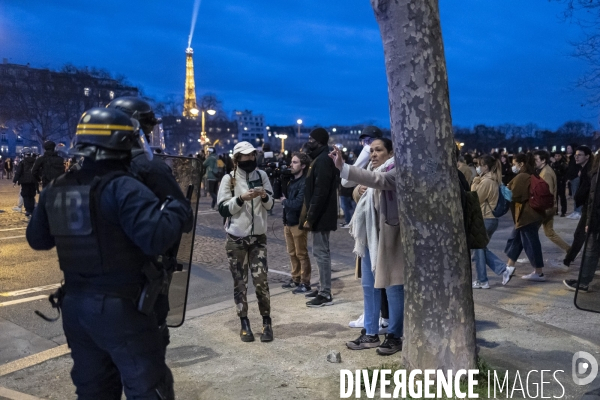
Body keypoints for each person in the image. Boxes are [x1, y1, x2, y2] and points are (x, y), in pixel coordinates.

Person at [26, 107, 191, 399]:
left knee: (94, 390)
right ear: (122, 144)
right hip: (122, 308)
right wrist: (176, 207)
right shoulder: (124, 187)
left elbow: (37, 239)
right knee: (148, 388)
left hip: (75, 306)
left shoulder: (56, 188)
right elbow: (155, 239)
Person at [107, 96, 193, 354]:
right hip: (140, 274)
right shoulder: (149, 167)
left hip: (93, 283)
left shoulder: (84, 168)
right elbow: (184, 221)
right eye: (146, 129)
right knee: (148, 366)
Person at [330, 139, 405, 355]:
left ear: (390, 152)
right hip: (369, 238)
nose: (373, 154)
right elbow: (357, 193)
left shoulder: (394, 169)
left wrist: (344, 167)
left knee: (393, 287)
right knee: (368, 287)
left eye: (378, 150)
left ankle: (394, 335)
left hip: (389, 236)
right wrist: (359, 190)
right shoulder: (373, 172)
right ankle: (370, 333)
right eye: (370, 151)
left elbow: (378, 181)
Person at [217, 141, 275, 342]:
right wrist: (241, 198)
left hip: (258, 238)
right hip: (236, 240)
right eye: (245, 156)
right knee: (240, 283)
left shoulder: (262, 176)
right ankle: (244, 322)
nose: (250, 159)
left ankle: (267, 322)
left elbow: (271, 205)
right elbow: (223, 208)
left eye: (252, 156)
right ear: (237, 159)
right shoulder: (229, 179)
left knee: (262, 282)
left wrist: (264, 196)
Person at [300, 128, 340, 307]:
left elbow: (320, 191)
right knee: (321, 252)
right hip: (322, 213)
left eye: (311, 139)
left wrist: (311, 216)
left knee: (321, 253)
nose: (309, 141)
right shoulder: (320, 158)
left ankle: (325, 293)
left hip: (321, 214)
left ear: (320, 141)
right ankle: (323, 288)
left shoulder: (323, 160)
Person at [471, 155, 515, 288]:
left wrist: (475, 181)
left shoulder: (486, 181)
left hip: (485, 219)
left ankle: (485, 279)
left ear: (485, 166)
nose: (477, 167)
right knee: (479, 250)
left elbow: (474, 198)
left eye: (479, 165)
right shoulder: (493, 180)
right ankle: (493, 274)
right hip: (490, 220)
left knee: (478, 250)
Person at [504, 153, 545, 281]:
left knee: (531, 244)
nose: (513, 166)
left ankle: (538, 272)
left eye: (514, 163)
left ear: (521, 164)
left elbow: (513, 195)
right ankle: (509, 266)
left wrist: (504, 190)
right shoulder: (533, 174)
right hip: (530, 216)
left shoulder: (522, 176)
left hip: (527, 216)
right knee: (516, 240)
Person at [564, 152, 600, 292]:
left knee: (590, 250)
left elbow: (594, 200)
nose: (576, 157)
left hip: (596, 220)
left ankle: (583, 283)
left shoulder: (595, 174)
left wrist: (589, 222)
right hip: (594, 217)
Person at [280, 152, 312, 293]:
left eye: (295, 162)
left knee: (301, 253)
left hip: (298, 222)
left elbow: (298, 204)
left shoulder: (304, 182)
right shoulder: (290, 180)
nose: (291, 165)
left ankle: (305, 282)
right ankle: (295, 279)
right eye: (291, 162)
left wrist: (285, 202)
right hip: (288, 221)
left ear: (303, 165)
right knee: (292, 252)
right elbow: (277, 194)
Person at [534, 150, 571, 259]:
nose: (535, 162)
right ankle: (569, 249)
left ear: (543, 160)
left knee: (530, 232)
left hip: (546, 208)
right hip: (549, 207)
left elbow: (547, 192)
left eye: (536, 159)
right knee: (549, 232)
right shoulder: (545, 171)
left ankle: (533, 257)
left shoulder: (546, 173)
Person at [564, 146, 593, 268]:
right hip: (588, 206)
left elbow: (585, 190)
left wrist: (578, 199)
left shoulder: (589, 170)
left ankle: (569, 259)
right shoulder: (585, 169)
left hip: (590, 206)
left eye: (579, 154)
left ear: (587, 156)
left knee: (581, 234)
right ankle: (569, 258)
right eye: (576, 154)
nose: (576, 156)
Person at [12, 148, 37, 217]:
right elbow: (38, 171)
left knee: (25, 196)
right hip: (33, 181)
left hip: (24, 181)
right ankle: (32, 209)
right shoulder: (35, 161)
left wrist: (14, 181)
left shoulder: (22, 162)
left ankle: (28, 210)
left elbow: (18, 172)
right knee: (31, 195)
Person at [565, 143, 581, 217]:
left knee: (576, 195)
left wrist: (579, 171)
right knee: (574, 195)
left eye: (568, 148)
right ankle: (575, 210)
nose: (567, 149)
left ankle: (578, 211)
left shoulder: (575, 157)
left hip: (575, 177)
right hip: (572, 178)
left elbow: (578, 165)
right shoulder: (571, 158)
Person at [551, 151, 568, 217]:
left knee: (562, 197)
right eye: (556, 156)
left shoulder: (563, 163)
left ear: (561, 156)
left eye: (559, 156)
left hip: (561, 181)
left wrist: (555, 163)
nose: (557, 157)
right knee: (555, 196)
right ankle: (555, 210)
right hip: (555, 181)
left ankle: (563, 211)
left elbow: (563, 170)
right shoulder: (553, 163)